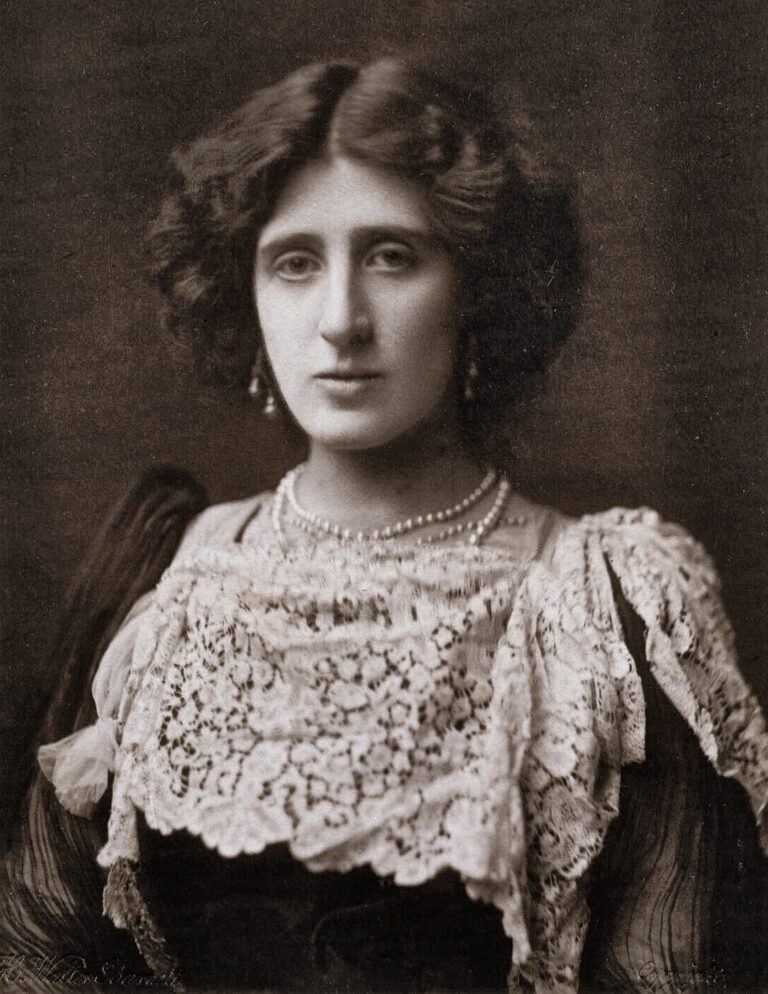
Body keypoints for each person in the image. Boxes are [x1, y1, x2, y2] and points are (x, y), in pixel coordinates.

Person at [3, 58, 767, 994]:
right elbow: (44, 947)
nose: (340, 321)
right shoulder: (173, 576)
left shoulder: (605, 606)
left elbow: (673, 972)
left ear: (477, 290)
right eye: (295, 263)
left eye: (392, 257)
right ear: (245, 293)